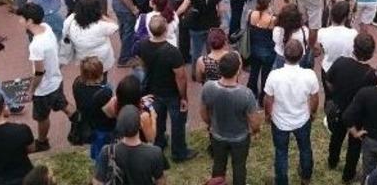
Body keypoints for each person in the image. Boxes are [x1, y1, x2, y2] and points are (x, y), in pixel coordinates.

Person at [17, 2, 77, 152]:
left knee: (42, 117)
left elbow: (39, 72)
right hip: (56, 79)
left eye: (22, 18)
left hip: (43, 89)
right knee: (63, 104)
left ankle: (42, 141)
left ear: (29, 21)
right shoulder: (47, 28)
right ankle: (80, 122)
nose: (20, 21)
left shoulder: (36, 45)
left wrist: (31, 90)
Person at [136, 14, 195, 163]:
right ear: (166, 29)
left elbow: (143, 64)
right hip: (172, 92)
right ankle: (179, 151)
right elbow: (180, 77)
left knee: (157, 119)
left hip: (153, 90)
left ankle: (159, 144)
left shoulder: (142, 45)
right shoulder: (172, 52)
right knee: (177, 122)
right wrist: (183, 97)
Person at [263, 39, 319, 185]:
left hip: (279, 121)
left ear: (284, 55)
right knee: (305, 148)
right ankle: (306, 178)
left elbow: (268, 100)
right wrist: (312, 113)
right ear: (301, 56)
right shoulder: (309, 75)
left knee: (281, 153)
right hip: (302, 119)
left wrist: (267, 115)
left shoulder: (274, 75)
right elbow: (314, 98)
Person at [201, 52, 262, 185]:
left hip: (217, 135)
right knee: (239, 167)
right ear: (238, 70)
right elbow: (254, 121)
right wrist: (255, 130)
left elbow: (203, 113)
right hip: (240, 138)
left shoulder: (208, 87)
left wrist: (211, 124)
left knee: (218, 165)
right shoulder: (246, 94)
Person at [325, 32, 377, 183]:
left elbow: (328, 80)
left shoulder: (341, 62)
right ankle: (348, 175)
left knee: (336, 137)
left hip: (340, 109)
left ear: (354, 48)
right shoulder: (371, 75)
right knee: (355, 144)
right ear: (371, 53)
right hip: (358, 115)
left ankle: (332, 161)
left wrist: (336, 93)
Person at [93, 105, 170, 185]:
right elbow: (161, 182)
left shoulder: (107, 151)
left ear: (119, 125)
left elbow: (97, 182)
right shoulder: (155, 152)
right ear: (140, 125)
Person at [72, 57, 115, 161]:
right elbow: (110, 112)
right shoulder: (104, 92)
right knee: (103, 148)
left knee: (95, 145)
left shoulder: (77, 83)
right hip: (102, 125)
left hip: (87, 121)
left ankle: (94, 158)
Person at [61, 0, 118, 72]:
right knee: (102, 76)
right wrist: (102, 17)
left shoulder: (71, 21)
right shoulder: (101, 26)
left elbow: (65, 29)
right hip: (101, 60)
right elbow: (115, 26)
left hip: (83, 59)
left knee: (86, 75)